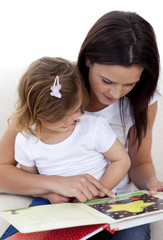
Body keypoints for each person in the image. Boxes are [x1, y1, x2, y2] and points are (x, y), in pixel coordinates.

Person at [0, 10, 163, 240]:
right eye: (107, 81)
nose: (116, 93)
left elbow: (140, 162)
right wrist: (57, 186)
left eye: (129, 84)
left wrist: (151, 182)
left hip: (115, 200)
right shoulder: (55, 89)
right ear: (87, 60)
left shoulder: (143, 98)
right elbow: (3, 169)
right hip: (58, 200)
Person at [0, 56, 131, 239]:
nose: (70, 121)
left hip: (97, 199)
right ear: (36, 112)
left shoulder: (93, 127)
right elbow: (30, 179)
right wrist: (49, 194)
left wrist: (98, 192)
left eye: (76, 111)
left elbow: (121, 160)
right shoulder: (26, 139)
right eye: (60, 118)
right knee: (24, 234)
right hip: (51, 201)